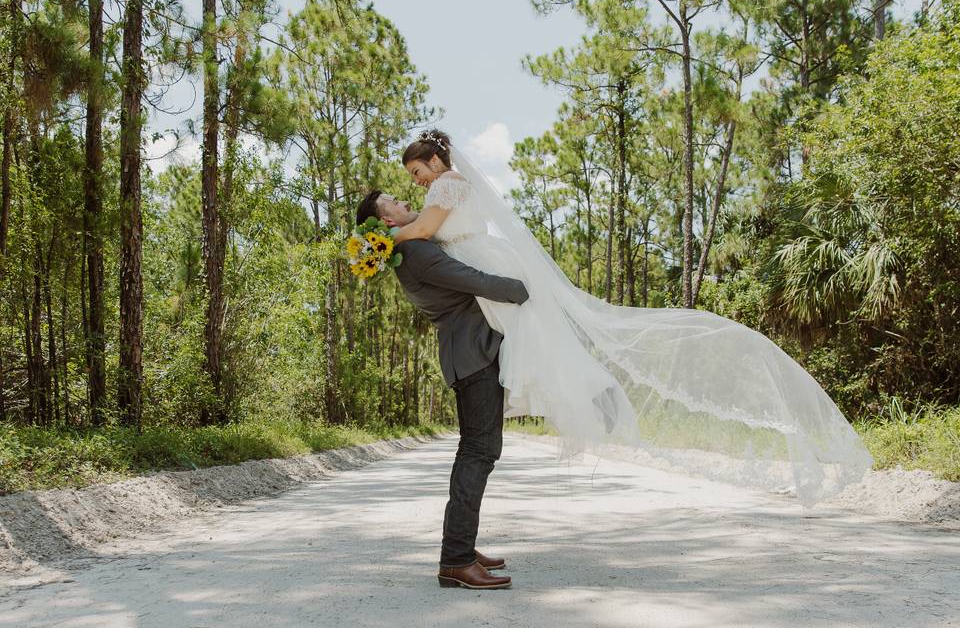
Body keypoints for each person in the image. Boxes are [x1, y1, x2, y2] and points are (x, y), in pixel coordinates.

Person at [385, 129, 873, 508]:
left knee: (534, 342)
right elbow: (424, 226)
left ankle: (595, 397)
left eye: (416, 171)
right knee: (532, 343)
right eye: (412, 178)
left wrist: (384, 240)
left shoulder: (448, 183)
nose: (417, 180)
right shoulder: (445, 185)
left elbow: (426, 228)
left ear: (435, 159)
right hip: (485, 264)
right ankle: (590, 397)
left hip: (485, 265)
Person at [356, 190, 525, 590]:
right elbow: (472, 281)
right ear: (388, 222)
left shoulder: (411, 250)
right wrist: (524, 289)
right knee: (479, 451)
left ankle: (460, 547)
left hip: (468, 353)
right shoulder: (414, 253)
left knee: (476, 450)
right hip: (472, 355)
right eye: (393, 201)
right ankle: (456, 559)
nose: (403, 200)